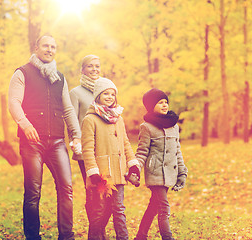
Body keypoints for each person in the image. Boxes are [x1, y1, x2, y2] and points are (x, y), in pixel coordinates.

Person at [8, 35, 81, 240]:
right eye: (46, 46)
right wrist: (26, 125)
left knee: (66, 188)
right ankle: (32, 237)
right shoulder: (22, 73)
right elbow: (14, 102)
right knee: (33, 193)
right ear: (36, 47)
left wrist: (76, 135)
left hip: (57, 141)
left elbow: (67, 109)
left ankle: (66, 236)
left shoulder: (60, 77)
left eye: (53, 47)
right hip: (32, 143)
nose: (50, 49)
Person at [81, 78, 139, 240]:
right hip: (102, 176)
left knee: (119, 209)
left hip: (119, 173)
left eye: (113, 94)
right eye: (106, 93)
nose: (110, 96)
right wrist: (93, 173)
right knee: (99, 211)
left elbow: (126, 143)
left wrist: (132, 164)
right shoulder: (90, 119)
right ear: (98, 95)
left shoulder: (118, 119)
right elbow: (87, 149)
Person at [132, 88, 188, 240]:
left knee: (154, 207)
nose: (164, 105)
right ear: (151, 106)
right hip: (155, 174)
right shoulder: (147, 127)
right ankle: (167, 237)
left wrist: (182, 172)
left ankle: (141, 236)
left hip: (170, 173)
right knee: (164, 207)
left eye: (165, 102)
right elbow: (142, 152)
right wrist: (135, 169)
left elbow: (177, 151)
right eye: (160, 102)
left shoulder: (174, 126)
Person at [69, 54, 101, 184]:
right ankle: (91, 205)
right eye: (90, 66)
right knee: (92, 187)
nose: (94, 69)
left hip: (105, 146)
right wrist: (76, 142)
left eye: (97, 66)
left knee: (108, 188)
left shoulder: (105, 91)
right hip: (86, 147)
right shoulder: (75, 93)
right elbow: (72, 120)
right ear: (82, 70)